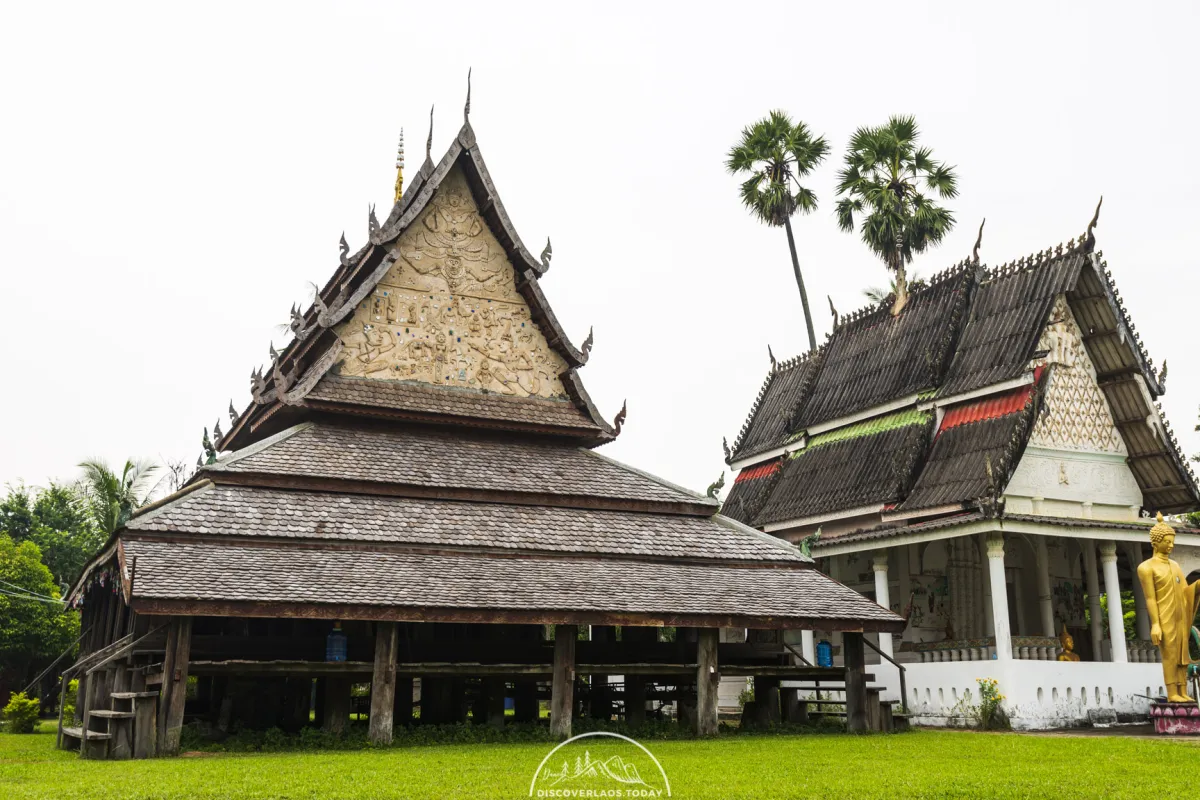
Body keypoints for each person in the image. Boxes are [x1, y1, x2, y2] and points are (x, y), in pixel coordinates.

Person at [1136, 513, 1200, 702]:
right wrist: (1155, 624)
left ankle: (1182, 690)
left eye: (1172, 541)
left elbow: (1185, 591)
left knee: (1182, 655)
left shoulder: (1175, 565)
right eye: (1167, 541)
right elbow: (1150, 598)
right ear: (1156, 542)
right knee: (1170, 655)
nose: (1171, 545)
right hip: (1164, 616)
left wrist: (1197, 586)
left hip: (1180, 615)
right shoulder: (1146, 568)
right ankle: (1172, 692)